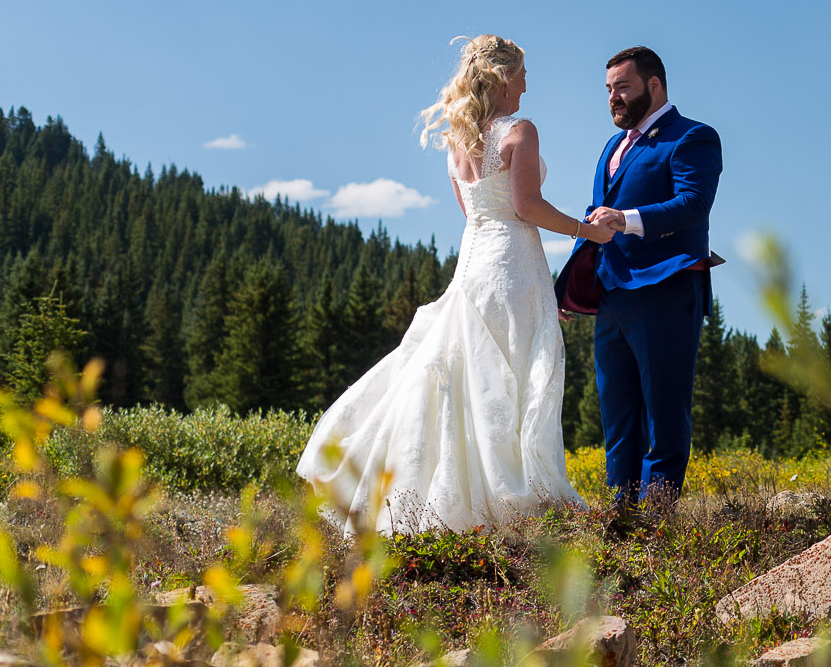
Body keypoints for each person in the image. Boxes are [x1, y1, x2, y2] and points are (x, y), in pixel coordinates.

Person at [298, 35, 614, 532]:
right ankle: (514, 491)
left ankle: (453, 494)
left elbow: (473, 213)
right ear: (504, 77)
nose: (528, 84)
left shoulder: (458, 141)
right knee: (515, 365)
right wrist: (588, 231)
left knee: (466, 370)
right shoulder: (520, 131)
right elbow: (526, 207)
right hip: (512, 262)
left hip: (475, 258)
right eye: (523, 74)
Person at [577, 45, 722, 502]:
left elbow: (693, 204)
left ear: (654, 85)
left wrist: (624, 218)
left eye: (623, 87)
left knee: (663, 411)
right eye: (608, 90)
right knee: (618, 418)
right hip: (612, 295)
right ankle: (621, 522)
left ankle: (656, 526)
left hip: (667, 288)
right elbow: (597, 219)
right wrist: (572, 287)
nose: (613, 98)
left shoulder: (692, 137)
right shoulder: (612, 147)